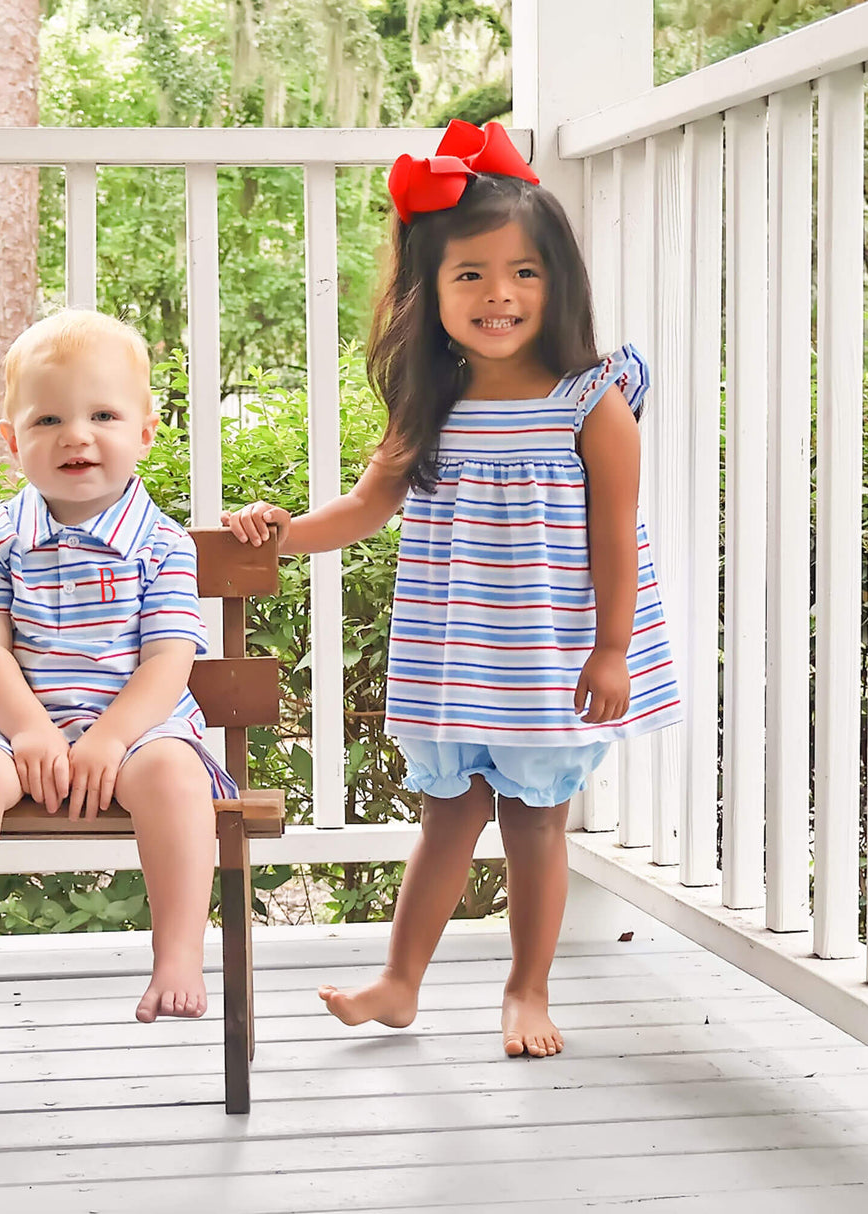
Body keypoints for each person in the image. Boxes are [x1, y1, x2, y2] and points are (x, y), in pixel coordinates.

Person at [222, 121, 682, 1058]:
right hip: (456, 649)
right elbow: (361, 509)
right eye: (469, 275)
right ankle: (400, 982)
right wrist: (279, 533)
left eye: (523, 272)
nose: (499, 295)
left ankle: (527, 991)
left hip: (551, 651)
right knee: (445, 817)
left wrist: (612, 649)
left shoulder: (593, 401)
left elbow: (615, 536)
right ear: (430, 292)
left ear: (559, 285)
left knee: (536, 822)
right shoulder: (432, 404)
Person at [0, 309, 235, 1023]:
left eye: (104, 415)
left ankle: (178, 954)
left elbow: (169, 659)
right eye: (48, 418)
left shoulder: (163, 544)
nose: (76, 435)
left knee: (178, 778)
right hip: (19, 732)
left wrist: (113, 737)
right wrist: (28, 730)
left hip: (140, 733)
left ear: (145, 433)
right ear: (12, 440)